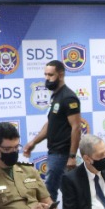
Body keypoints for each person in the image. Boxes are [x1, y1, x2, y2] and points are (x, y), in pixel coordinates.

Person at [24, 59, 83, 199]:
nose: (47, 78)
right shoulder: (56, 96)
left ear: (61, 75)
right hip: (54, 152)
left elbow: (76, 128)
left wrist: (72, 156)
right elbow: (51, 124)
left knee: (50, 193)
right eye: (45, 74)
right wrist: (33, 142)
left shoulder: (68, 97)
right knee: (66, 192)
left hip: (62, 154)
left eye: (50, 75)